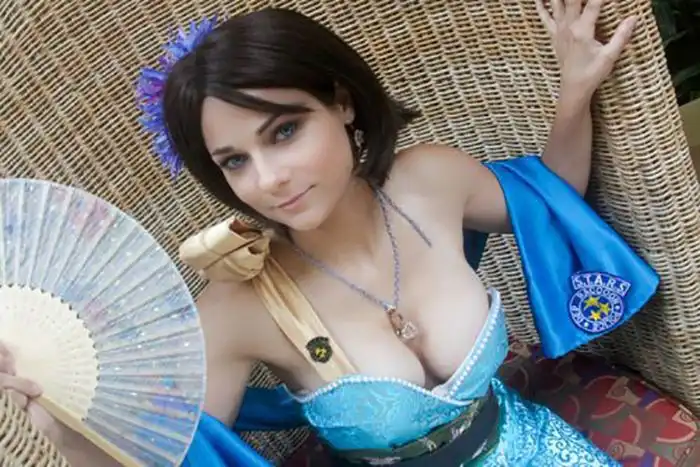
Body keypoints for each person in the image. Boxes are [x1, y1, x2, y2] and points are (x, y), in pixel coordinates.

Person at [0, 2, 660, 466]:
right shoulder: (240, 305)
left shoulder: (428, 181)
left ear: (341, 102)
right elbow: (171, 457)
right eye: (235, 161)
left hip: (539, 450)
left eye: (284, 131)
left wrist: (576, 90)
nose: (268, 179)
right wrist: (65, 428)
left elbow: (549, 202)